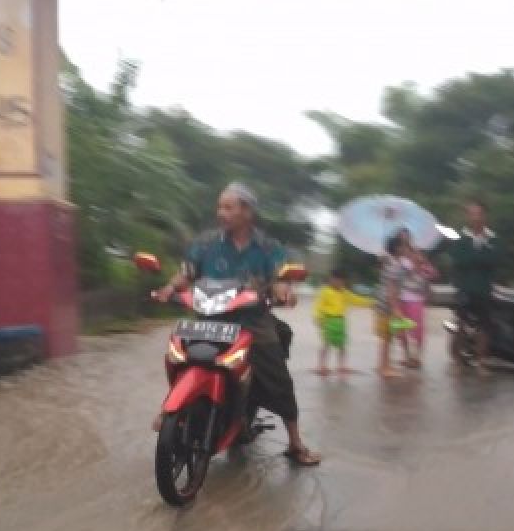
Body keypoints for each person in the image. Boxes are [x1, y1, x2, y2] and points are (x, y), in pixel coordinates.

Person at [153, 182, 321, 467]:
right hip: (210, 319)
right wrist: (169, 288)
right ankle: (172, 407)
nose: (221, 213)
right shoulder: (206, 243)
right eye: (220, 207)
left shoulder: (267, 246)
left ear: (247, 212)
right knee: (179, 355)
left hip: (252, 322)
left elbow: (280, 277)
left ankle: (294, 442)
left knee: (278, 379)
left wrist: (283, 290)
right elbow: (187, 273)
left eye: (228, 207)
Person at [448, 198, 500, 376]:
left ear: (485, 216)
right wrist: (479, 254)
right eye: (471, 214)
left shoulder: (493, 238)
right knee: (461, 325)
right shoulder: (460, 238)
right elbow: (459, 260)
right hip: (464, 289)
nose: (475, 217)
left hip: (484, 290)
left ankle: (481, 361)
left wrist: (478, 253)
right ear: (467, 216)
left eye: (478, 214)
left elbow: (494, 261)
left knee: (484, 327)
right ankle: (457, 360)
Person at [312, 268, 371, 376]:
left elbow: (357, 300)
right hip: (328, 321)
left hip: (341, 322)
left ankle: (341, 365)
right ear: (331, 279)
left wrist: (371, 303)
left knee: (342, 345)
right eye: (336, 280)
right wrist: (318, 318)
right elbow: (318, 306)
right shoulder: (325, 292)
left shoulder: (345, 292)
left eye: (341, 281)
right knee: (326, 344)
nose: (339, 283)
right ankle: (322, 365)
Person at [396, 233, 437, 369]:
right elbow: (393, 277)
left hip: (416, 299)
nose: (404, 240)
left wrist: (421, 264)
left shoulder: (419, 257)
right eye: (401, 238)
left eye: (406, 237)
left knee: (418, 329)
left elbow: (433, 274)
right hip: (400, 299)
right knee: (401, 329)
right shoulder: (397, 259)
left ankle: (417, 357)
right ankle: (406, 356)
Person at [374, 234, 409, 379]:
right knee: (387, 338)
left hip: (385, 303)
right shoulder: (394, 265)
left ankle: (385, 364)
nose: (406, 248)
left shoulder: (392, 262)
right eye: (404, 246)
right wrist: (396, 308)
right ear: (397, 248)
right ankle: (383, 367)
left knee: (388, 337)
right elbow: (391, 288)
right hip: (387, 305)